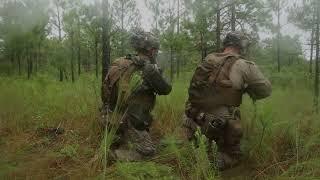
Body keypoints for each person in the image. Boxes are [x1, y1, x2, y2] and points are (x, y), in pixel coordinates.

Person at [183, 32, 272, 170]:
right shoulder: (243, 64)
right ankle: (215, 163)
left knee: (203, 147)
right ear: (241, 46)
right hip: (216, 124)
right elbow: (266, 90)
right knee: (235, 156)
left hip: (193, 119)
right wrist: (247, 88)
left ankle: (201, 151)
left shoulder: (209, 59)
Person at [101, 28, 172, 161]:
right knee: (148, 152)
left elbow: (105, 92)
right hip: (128, 121)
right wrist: (154, 71)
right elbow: (166, 89)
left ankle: (117, 138)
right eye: (156, 50)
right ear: (151, 51)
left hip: (108, 116)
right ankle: (114, 155)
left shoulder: (119, 62)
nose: (156, 53)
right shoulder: (148, 68)